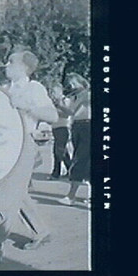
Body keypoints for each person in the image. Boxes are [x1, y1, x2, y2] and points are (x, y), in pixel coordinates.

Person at [0, 50, 58, 264]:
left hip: (23, 145)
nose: (5, 64)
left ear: (24, 67)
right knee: (13, 193)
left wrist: (28, 106)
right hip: (4, 146)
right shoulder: (5, 89)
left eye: (11, 61)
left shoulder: (33, 88)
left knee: (5, 198)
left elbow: (53, 115)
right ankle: (41, 231)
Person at [58, 73, 91, 206]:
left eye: (73, 83)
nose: (70, 86)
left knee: (81, 159)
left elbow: (74, 112)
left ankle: (71, 196)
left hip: (87, 125)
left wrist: (62, 104)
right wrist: (59, 105)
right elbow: (68, 114)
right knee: (81, 159)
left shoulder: (87, 94)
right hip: (77, 126)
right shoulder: (76, 96)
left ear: (80, 82)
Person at [48, 82, 73, 180]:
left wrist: (58, 107)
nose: (52, 94)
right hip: (55, 128)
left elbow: (67, 114)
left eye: (54, 91)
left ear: (60, 90)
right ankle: (71, 170)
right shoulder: (53, 102)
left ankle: (56, 173)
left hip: (62, 127)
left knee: (58, 151)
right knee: (62, 151)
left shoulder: (65, 100)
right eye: (51, 92)